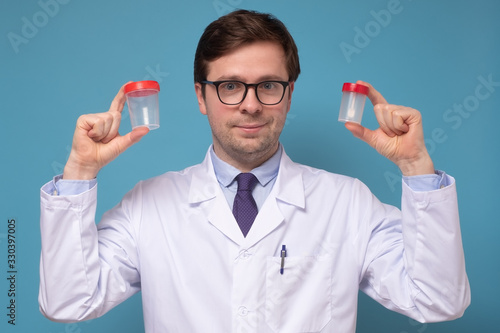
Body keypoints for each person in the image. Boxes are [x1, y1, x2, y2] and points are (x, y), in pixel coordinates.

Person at [39, 9, 470, 333]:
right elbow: (67, 303)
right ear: (201, 96)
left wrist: (415, 167)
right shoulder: (147, 206)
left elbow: (436, 301)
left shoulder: (348, 203)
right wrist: (79, 171)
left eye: (268, 85)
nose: (250, 104)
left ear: (288, 94)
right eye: (229, 86)